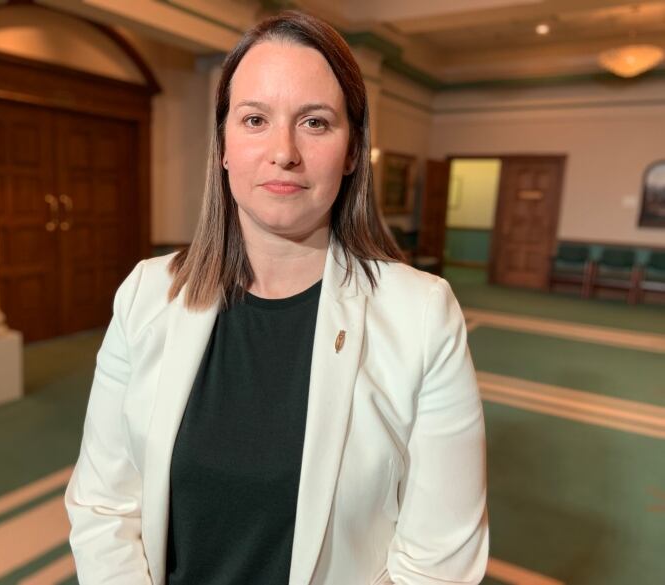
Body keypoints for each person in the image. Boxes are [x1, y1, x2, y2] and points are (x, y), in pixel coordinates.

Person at [65, 10, 488, 585]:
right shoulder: (147, 293)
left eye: (315, 122)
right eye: (255, 119)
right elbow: (103, 506)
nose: (283, 151)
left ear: (351, 151)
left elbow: (439, 562)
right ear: (223, 145)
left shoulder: (421, 315)